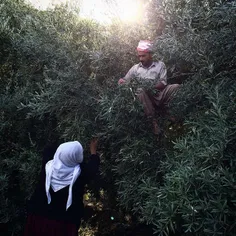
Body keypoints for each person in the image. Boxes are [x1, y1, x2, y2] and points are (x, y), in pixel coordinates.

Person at [24, 138, 100, 236]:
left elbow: (49, 149)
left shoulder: (47, 165)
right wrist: (93, 151)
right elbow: (93, 167)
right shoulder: (81, 174)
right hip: (64, 224)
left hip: (38, 217)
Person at [118, 40, 179, 135]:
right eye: (139, 56)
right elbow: (125, 80)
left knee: (176, 87)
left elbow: (163, 83)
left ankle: (168, 112)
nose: (141, 59)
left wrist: (150, 87)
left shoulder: (160, 65)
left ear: (150, 55)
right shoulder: (135, 68)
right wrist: (122, 81)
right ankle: (153, 122)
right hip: (145, 98)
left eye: (143, 56)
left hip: (159, 94)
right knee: (140, 90)